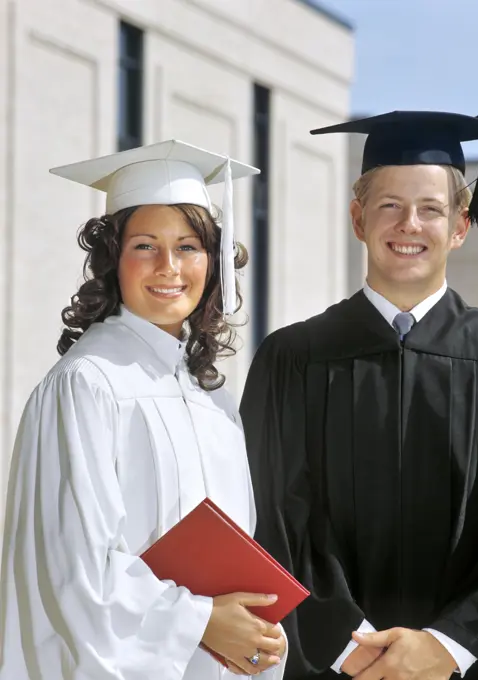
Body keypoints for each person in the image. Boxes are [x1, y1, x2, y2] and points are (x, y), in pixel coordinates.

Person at [239, 111, 478, 680]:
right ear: (358, 219)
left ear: (460, 225)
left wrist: (448, 647)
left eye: (431, 209)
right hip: (332, 667)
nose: (408, 224)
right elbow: (273, 519)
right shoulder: (291, 361)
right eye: (389, 205)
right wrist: (346, 644)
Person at [0, 140, 288, 680]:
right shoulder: (87, 385)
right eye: (145, 246)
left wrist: (258, 632)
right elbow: (73, 576)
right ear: (114, 260)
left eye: (188, 247)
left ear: (213, 260)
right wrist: (200, 621)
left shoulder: (214, 402)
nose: (169, 267)